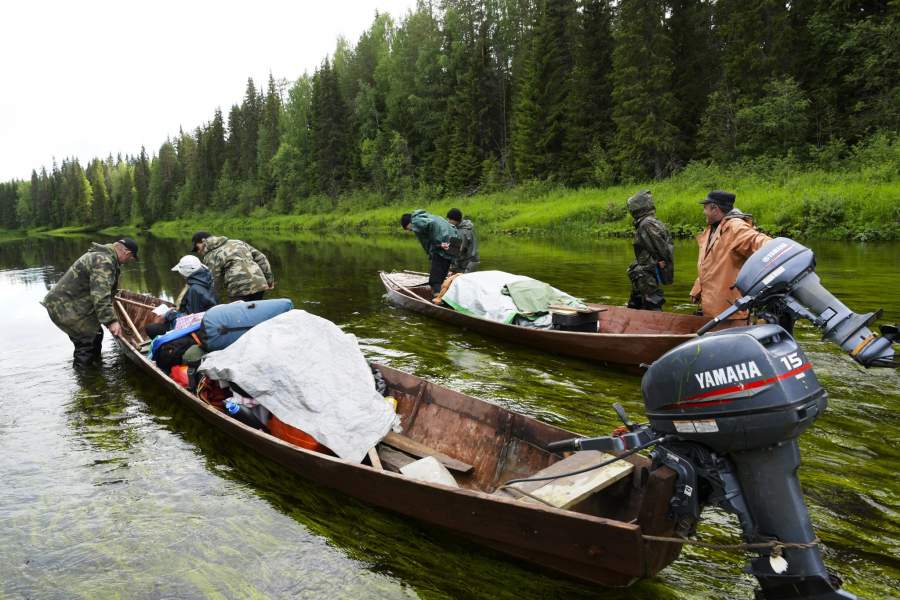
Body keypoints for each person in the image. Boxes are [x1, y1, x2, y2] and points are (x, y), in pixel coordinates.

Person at [41, 238, 138, 367]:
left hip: (69, 304)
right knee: (87, 341)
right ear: (127, 252)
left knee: (96, 336)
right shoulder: (104, 261)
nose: (129, 261)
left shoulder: (103, 256)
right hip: (66, 308)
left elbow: (100, 287)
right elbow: (100, 295)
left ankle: (94, 372)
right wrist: (111, 321)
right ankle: (85, 377)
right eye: (131, 257)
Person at [690, 190, 772, 317]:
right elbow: (709, 266)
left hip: (729, 313)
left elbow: (759, 242)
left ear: (714, 208)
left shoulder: (735, 227)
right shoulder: (712, 228)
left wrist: (780, 247)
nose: (703, 212)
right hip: (712, 309)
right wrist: (698, 288)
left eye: (705, 208)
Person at [625, 190, 674, 311]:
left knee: (652, 303)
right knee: (636, 304)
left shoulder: (647, 224)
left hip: (648, 272)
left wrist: (661, 263)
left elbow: (661, 248)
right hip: (643, 271)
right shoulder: (647, 222)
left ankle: (658, 325)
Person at [191, 231, 274, 302]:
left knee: (239, 316)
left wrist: (209, 300)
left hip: (238, 288)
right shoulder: (237, 242)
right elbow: (262, 258)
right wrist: (269, 281)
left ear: (203, 241)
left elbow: (214, 281)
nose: (198, 251)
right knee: (255, 310)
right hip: (259, 282)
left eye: (196, 248)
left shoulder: (210, 256)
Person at [400, 210, 461, 294]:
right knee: (443, 273)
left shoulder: (416, 221)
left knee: (434, 279)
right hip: (454, 240)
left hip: (444, 242)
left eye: (409, 229)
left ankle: (437, 297)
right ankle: (443, 294)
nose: (411, 230)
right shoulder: (431, 216)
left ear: (409, 223)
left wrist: (439, 243)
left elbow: (431, 224)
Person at [446, 208, 480, 273]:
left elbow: (459, 250)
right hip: (471, 261)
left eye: (450, 219)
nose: (448, 221)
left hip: (467, 264)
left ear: (456, 220)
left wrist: (450, 266)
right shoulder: (466, 227)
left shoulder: (463, 232)